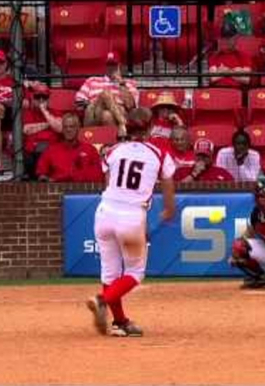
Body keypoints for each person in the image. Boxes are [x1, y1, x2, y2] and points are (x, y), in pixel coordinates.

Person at [86, 107, 177, 338]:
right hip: (131, 215)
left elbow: (107, 180)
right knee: (135, 273)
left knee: (110, 274)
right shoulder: (159, 153)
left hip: (105, 210)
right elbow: (167, 182)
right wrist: (168, 209)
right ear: (150, 128)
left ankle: (120, 322)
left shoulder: (114, 150)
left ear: (127, 127)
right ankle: (102, 301)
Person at [75, 52, 138, 133]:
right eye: (109, 65)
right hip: (94, 115)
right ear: (105, 66)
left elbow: (131, 106)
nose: (111, 68)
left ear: (120, 66)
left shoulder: (128, 83)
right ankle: (122, 123)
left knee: (107, 115)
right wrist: (98, 102)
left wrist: (121, 83)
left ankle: (114, 141)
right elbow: (78, 104)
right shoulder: (92, 80)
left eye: (114, 65)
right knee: (105, 94)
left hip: (118, 114)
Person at [35, 113, 103, 183]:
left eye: (71, 127)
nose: (68, 130)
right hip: (58, 191)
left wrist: (66, 177)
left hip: (83, 191)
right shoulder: (51, 150)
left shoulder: (90, 150)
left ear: (78, 128)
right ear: (62, 129)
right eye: (65, 127)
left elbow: (98, 176)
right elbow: (41, 174)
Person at [23, 83, 63, 180]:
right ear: (32, 97)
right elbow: (26, 130)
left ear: (48, 98)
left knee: (44, 148)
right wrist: (48, 124)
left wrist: (45, 112)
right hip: (30, 152)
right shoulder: (27, 113)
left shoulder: (55, 112)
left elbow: (60, 128)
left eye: (44, 97)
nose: (41, 100)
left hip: (50, 150)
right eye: (38, 97)